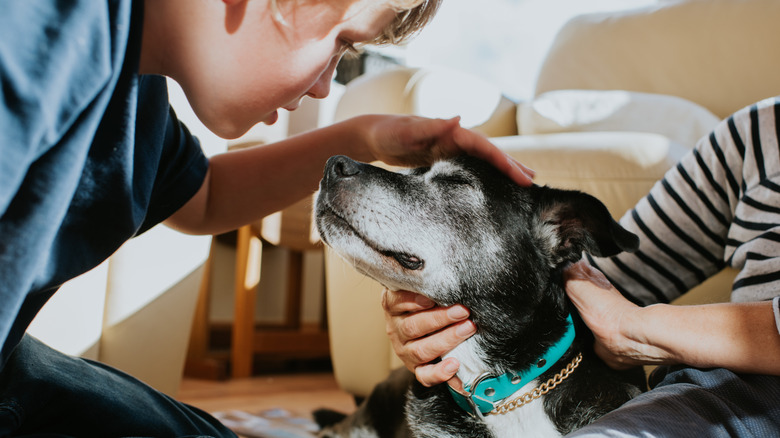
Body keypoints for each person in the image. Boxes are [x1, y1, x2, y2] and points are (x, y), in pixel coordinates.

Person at [0, 0, 536, 436]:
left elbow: (203, 197)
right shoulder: (33, 36)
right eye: (342, 43)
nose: (327, 85)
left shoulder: (135, 95)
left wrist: (366, 136)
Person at [383, 96, 780, 437]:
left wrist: (638, 329)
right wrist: (433, 315)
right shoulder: (756, 135)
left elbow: (619, 321)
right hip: (725, 388)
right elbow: (599, 278)